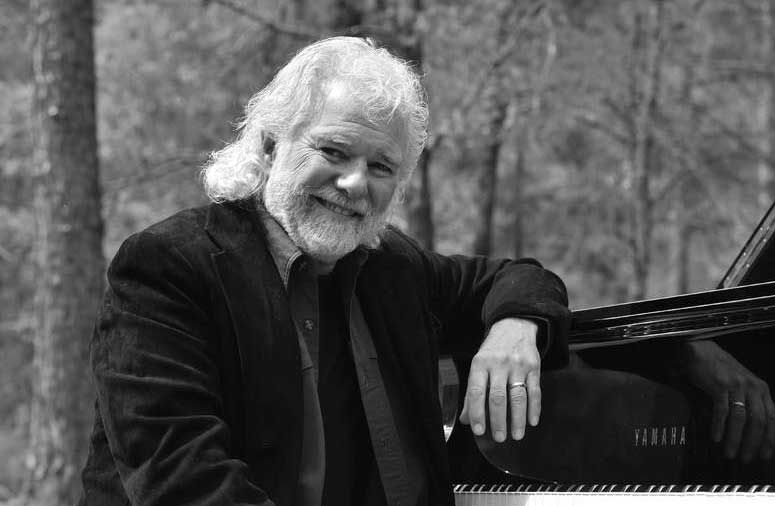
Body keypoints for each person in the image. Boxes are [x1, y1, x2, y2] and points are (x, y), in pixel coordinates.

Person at [77, 37, 570, 506]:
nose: (355, 183)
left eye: (381, 167)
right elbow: (182, 482)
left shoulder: (392, 266)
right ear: (271, 146)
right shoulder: (166, 268)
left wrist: (516, 328)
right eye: (333, 151)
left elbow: (515, 278)